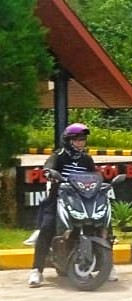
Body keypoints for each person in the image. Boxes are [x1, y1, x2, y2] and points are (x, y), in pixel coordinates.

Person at [29, 123, 110, 287]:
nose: (81, 142)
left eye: (83, 139)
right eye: (77, 139)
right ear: (68, 140)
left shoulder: (86, 158)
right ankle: (37, 270)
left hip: (84, 198)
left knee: (103, 224)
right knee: (47, 227)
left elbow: (95, 175)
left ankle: (108, 265)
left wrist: (102, 183)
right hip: (60, 197)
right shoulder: (58, 156)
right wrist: (48, 173)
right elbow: (48, 167)